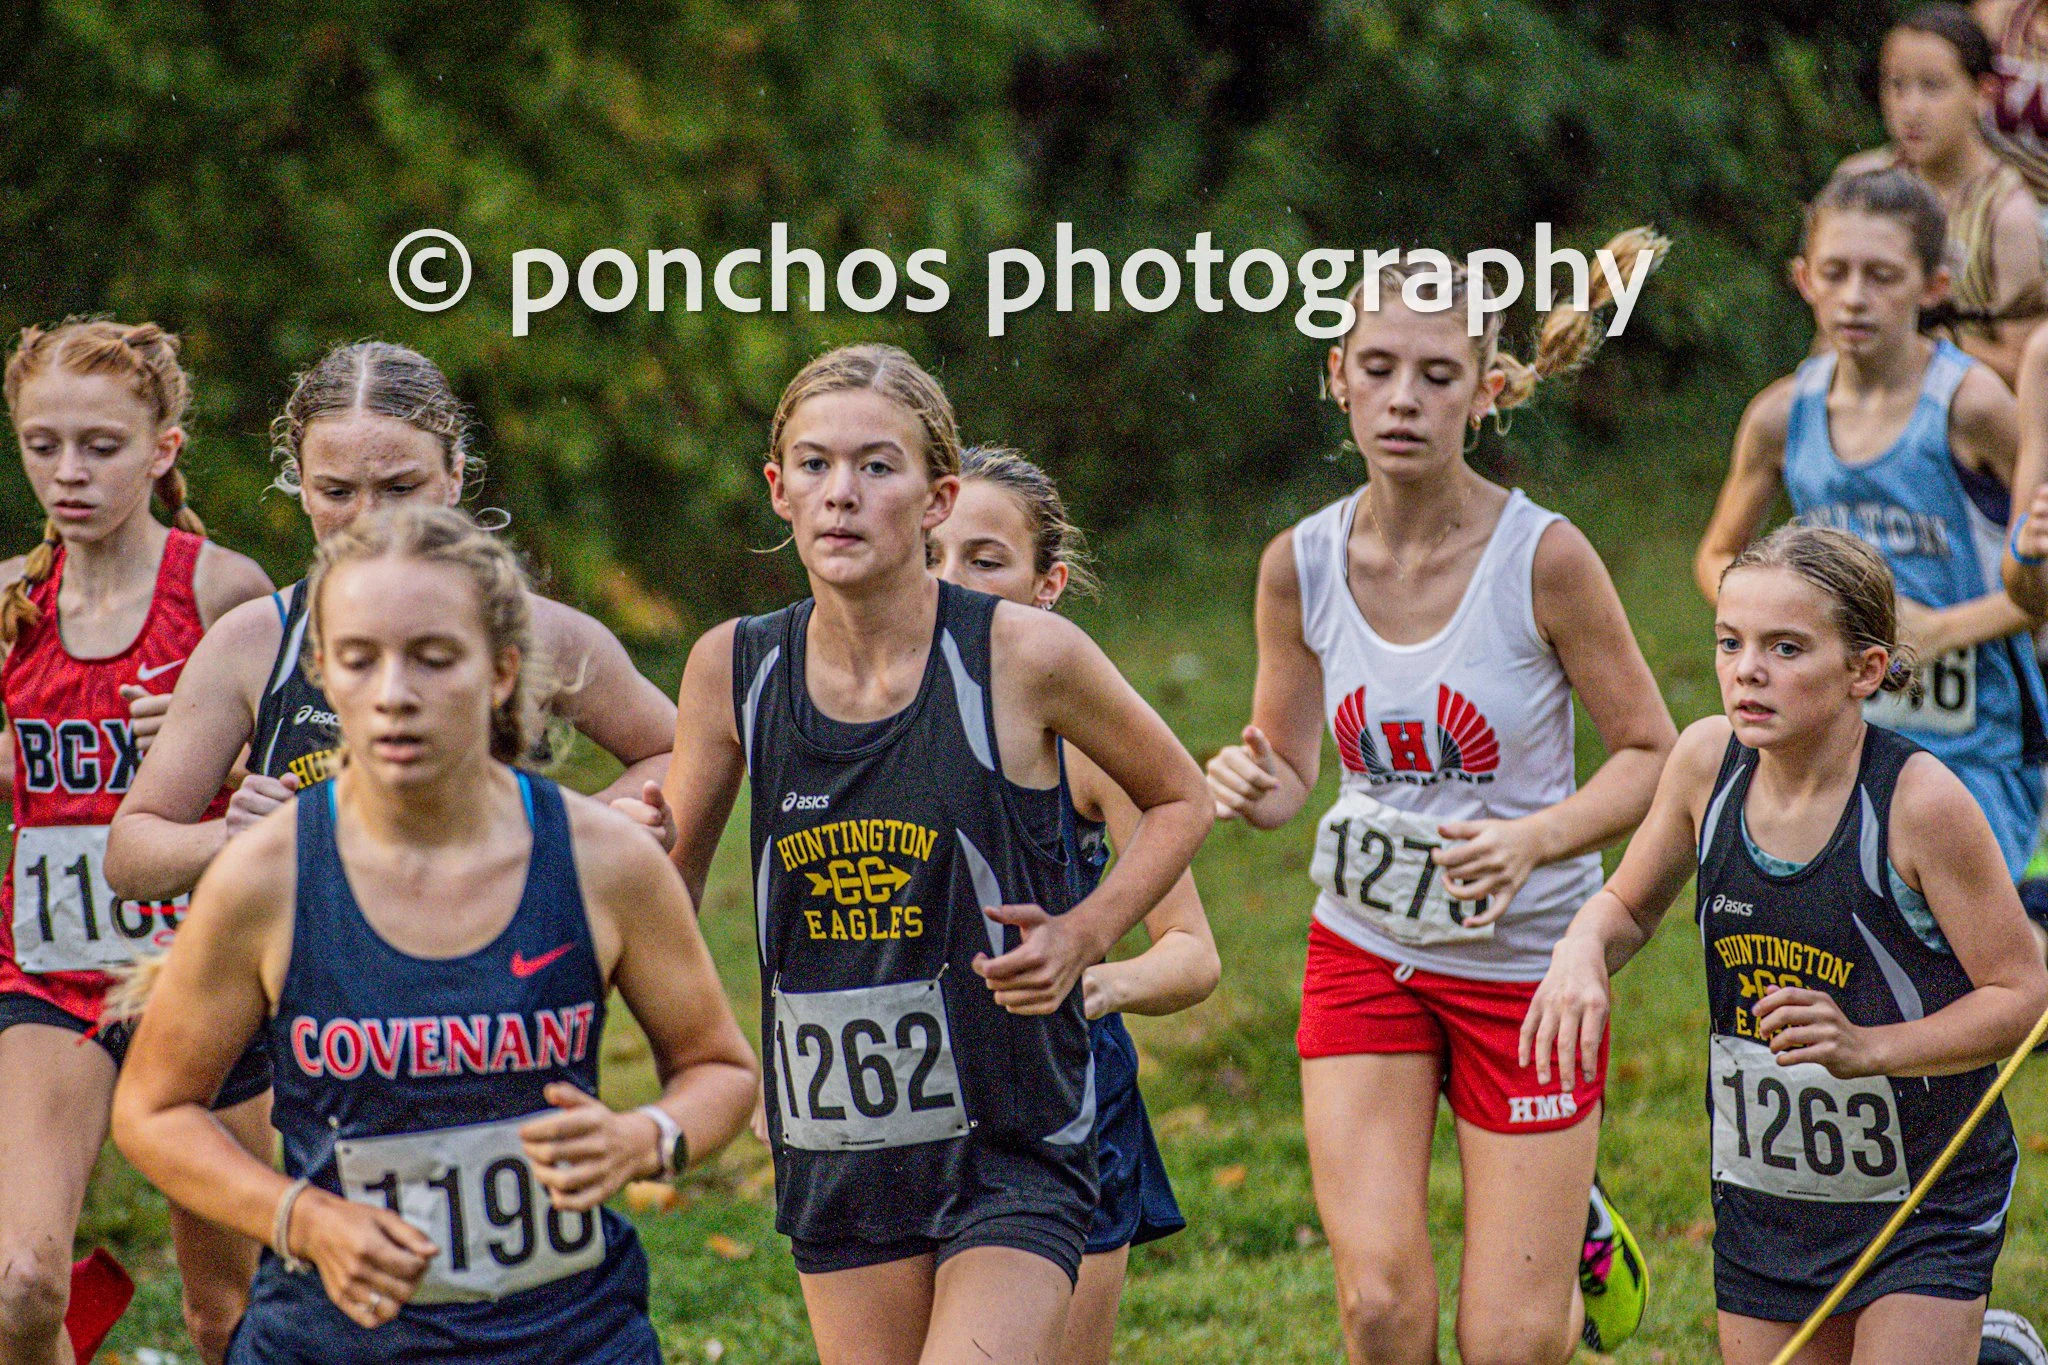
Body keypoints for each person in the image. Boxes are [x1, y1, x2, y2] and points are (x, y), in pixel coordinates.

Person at [99, 339, 682, 1357]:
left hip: (469, 984)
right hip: (274, 993)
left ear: (455, 475)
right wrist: (231, 841)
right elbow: (132, 850)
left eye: (401, 486)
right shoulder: (257, 642)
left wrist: (590, 830)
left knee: (439, 1274)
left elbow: (675, 750)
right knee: (224, 1305)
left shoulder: (540, 633)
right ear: (298, 485)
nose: (369, 518)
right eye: (337, 492)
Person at [659, 343, 1212, 1365]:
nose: (842, 493)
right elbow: (666, 893)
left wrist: (1085, 933)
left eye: (877, 466)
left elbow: (1181, 795)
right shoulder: (732, 666)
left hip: (1013, 1136)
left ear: (935, 497)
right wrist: (703, 1055)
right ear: (778, 489)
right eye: (815, 465)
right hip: (839, 1141)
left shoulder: (1025, 654)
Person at [1203, 233, 1675, 1363]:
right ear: (1337, 376)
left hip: (1527, 968)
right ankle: (1547, 1208)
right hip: (1366, 948)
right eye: (1377, 368)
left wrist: (1532, 840)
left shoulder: (1544, 559)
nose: (1402, 398)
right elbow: (1289, 773)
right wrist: (1252, 781)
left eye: (1435, 374)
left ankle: (1563, 1233)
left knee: (1509, 1343)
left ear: (1487, 391)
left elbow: (1651, 753)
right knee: (1378, 1309)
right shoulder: (1297, 565)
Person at [1524, 524, 2048, 1365]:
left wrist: (1869, 1047)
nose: (1747, 670)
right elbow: (1626, 905)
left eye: (1786, 647)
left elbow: (2023, 996)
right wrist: (1580, 948)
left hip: (1925, 1195)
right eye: (1729, 642)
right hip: (1769, 1200)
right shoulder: (1706, 764)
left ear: (1864, 669)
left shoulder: (1920, 804)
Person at [0, 319, 273, 1365]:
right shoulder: (12, 600)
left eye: (101, 446)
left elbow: (304, 777)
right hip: (50, 975)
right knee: (22, 1284)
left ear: (162, 449)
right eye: (43, 444)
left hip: (204, 973)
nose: (69, 473)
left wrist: (219, 756)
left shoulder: (222, 590)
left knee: (226, 1315)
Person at [928, 444, 1220, 1365]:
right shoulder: (861, 720)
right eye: (933, 555)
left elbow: (1192, 952)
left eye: (985, 560)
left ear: (1046, 584)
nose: (952, 582)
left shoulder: (1085, 743)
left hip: (1065, 1096)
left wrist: (1090, 982)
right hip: (912, 1096)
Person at [1699, 169, 2048, 894]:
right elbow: (1717, 553)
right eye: (1836, 273)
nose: (1855, 296)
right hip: (1836, 734)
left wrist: (1943, 629)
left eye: (1882, 276)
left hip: (1977, 742)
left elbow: (2037, 573)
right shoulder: (1781, 416)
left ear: (1933, 285)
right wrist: (1772, 618)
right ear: (1804, 279)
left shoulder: (1973, 407)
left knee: (1965, 939)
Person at [1837, 5, 2046, 387]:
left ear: (1984, 93)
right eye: (1896, 85)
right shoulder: (1858, 185)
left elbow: (2028, 369)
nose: (1911, 108)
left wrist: (1919, 336)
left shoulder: (2006, 212)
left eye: (1933, 86)